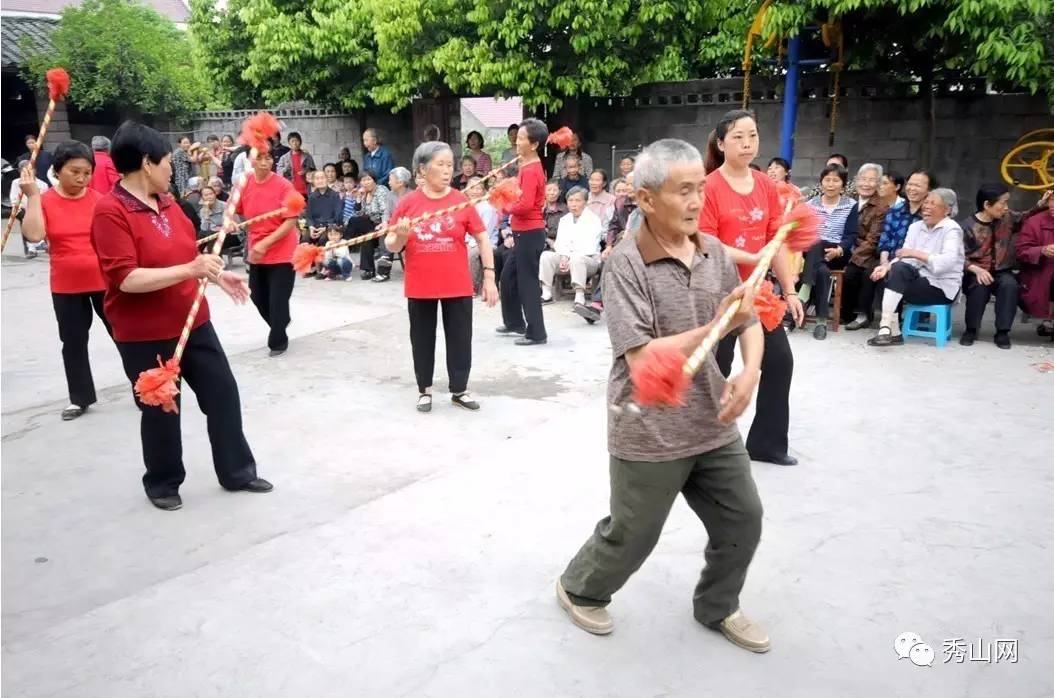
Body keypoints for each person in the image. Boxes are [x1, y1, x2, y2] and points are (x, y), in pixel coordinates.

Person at [557, 137, 768, 652]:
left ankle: (718, 604)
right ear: (647, 199)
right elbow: (644, 357)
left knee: (743, 516)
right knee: (634, 532)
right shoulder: (626, 263)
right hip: (648, 424)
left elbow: (749, 319)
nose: (697, 201)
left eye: (700, 188)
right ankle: (580, 588)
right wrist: (720, 322)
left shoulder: (714, 252)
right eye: (683, 191)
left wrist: (751, 370)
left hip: (710, 419)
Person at [91, 121, 272, 511]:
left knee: (223, 394)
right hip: (144, 333)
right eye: (167, 162)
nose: (172, 170)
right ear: (145, 163)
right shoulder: (110, 211)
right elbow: (127, 279)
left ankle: (237, 471)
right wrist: (191, 271)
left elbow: (187, 256)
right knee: (161, 409)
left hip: (193, 320)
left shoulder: (171, 203)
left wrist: (216, 274)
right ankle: (163, 481)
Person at [699, 108, 803, 467]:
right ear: (721, 142)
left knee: (779, 362)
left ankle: (767, 444)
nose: (747, 143)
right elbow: (707, 243)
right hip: (718, 290)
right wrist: (752, 254)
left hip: (758, 292)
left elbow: (778, 241)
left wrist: (789, 290)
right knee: (716, 364)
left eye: (753, 136)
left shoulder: (766, 187)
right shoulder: (708, 187)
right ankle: (702, 441)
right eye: (738, 137)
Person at [385, 141, 499, 413]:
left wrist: (489, 277)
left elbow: (482, 238)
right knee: (422, 339)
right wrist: (399, 235)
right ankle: (424, 389)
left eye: (450, 165)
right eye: (441, 164)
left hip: (456, 284)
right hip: (420, 285)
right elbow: (392, 244)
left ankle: (459, 389)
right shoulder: (408, 203)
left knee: (460, 338)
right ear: (422, 170)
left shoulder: (461, 201)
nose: (448, 170)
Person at [18, 141, 114, 421]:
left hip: (104, 281)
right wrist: (33, 197)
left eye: (87, 172)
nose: (82, 178)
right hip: (66, 285)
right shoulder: (44, 200)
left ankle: (141, 388)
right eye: (75, 171)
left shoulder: (99, 201)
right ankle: (80, 398)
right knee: (72, 342)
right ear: (58, 171)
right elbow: (34, 236)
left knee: (125, 336)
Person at [867, 189, 966, 346]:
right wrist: (886, 267)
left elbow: (946, 262)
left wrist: (915, 254)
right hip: (918, 280)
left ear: (947, 209)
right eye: (926, 202)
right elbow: (904, 258)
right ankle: (890, 330)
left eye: (933, 203)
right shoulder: (916, 227)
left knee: (896, 276)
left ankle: (887, 329)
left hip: (940, 287)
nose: (926, 207)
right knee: (886, 273)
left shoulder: (952, 229)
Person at [237, 149, 300, 356]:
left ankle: (278, 341)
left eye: (269, 157)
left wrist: (266, 243)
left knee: (277, 300)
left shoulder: (284, 186)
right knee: (257, 295)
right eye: (260, 158)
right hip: (256, 251)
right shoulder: (243, 183)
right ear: (250, 161)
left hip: (282, 251)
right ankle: (280, 321)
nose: (265, 162)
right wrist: (230, 224)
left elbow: (291, 219)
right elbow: (235, 211)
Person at [497, 118, 549, 346]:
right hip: (523, 232)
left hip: (529, 232)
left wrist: (503, 205)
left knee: (527, 283)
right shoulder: (526, 165)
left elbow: (525, 205)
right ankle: (514, 323)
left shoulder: (531, 170)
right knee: (508, 279)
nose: (516, 142)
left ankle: (537, 333)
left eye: (520, 138)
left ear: (534, 144)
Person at [801, 164, 857, 339]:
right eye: (827, 180)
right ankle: (821, 322)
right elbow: (806, 232)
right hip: (813, 250)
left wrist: (839, 250)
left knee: (820, 253)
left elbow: (851, 234)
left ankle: (805, 287)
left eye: (836, 180)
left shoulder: (851, 205)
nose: (831, 184)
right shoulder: (811, 204)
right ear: (821, 182)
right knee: (822, 269)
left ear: (843, 184)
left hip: (837, 252)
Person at [839, 163, 891, 329]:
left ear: (878, 183)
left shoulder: (881, 206)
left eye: (872, 180)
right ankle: (845, 313)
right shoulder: (848, 199)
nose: (867, 184)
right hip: (845, 247)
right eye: (863, 179)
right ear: (856, 180)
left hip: (868, 252)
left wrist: (853, 256)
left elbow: (873, 238)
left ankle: (863, 314)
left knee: (858, 271)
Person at [539, 187, 602, 307]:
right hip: (566, 258)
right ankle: (546, 293)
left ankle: (579, 297)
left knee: (577, 259)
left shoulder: (594, 220)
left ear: (585, 202)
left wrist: (569, 257)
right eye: (571, 200)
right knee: (546, 256)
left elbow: (590, 246)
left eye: (577, 200)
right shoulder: (564, 220)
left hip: (588, 261)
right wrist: (563, 257)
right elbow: (560, 243)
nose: (573, 204)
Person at [1016, 190, 1054, 342]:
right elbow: (1021, 251)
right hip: (1040, 274)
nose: (1052, 205)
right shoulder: (1035, 222)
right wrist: (1042, 250)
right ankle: (1049, 321)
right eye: (1051, 200)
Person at [355, 170, 395, 280]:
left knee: (384, 234)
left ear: (374, 180)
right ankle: (369, 270)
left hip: (386, 222)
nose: (366, 182)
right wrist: (358, 199)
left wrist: (383, 224)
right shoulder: (365, 194)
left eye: (369, 179)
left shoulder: (381, 190)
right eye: (363, 180)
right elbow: (360, 214)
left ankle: (383, 272)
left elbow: (385, 210)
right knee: (366, 238)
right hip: (372, 224)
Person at [9, 158, 50, 258]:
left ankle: (41, 242)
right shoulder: (16, 183)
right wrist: (18, 208)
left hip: (38, 210)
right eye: (24, 170)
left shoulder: (42, 184)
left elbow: (46, 200)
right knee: (25, 218)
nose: (27, 172)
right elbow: (14, 198)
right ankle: (32, 247)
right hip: (22, 210)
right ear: (20, 171)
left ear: (34, 170)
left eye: (30, 169)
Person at [276, 132, 316, 197]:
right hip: (290, 190)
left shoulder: (307, 156)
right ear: (289, 143)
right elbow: (279, 173)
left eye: (297, 141)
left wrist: (306, 171)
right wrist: (286, 169)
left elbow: (314, 171)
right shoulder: (284, 158)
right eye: (292, 141)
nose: (295, 143)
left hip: (305, 190)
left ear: (300, 142)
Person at [542, 180, 568, 249]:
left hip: (560, 244)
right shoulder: (539, 208)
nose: (552, 193)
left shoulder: (565, 209)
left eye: (555, 190)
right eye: (549, 190)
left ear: (559, 192)